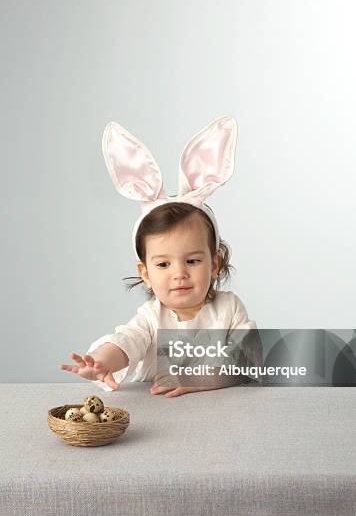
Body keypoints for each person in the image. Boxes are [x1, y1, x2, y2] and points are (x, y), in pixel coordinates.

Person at [58, 116, 260, 397]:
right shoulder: (152, 317)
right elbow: (127, 342)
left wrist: (196, 380)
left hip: (220, 413)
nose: (179, 273)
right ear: (145, 273)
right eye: (163, 264)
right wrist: (103, 361)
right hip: (161, 413)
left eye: (192, 261)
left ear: (214, 264)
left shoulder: (230, 309)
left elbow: (247, 361)